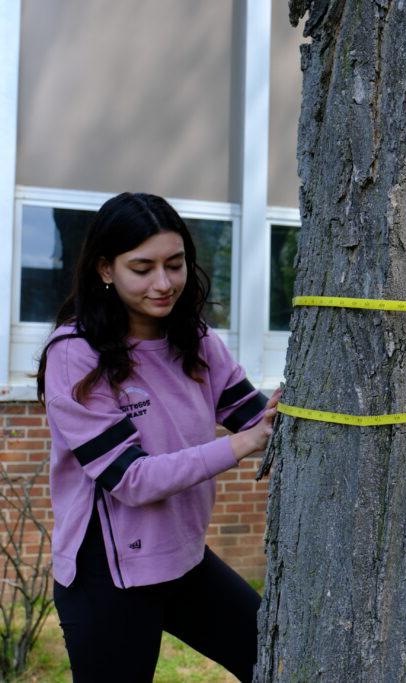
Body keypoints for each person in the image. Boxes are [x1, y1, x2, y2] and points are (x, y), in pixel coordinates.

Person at [36, 192, 282, 682]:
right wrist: (241, 445)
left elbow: (256, 420)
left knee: (274, 658)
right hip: (107, 576)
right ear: (106, 270)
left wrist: (289, 409)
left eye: (175, 264)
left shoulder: (196, 340)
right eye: (142, 268)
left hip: (184, 560)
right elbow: (130, 479)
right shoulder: (74, 354)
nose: (164, 283)